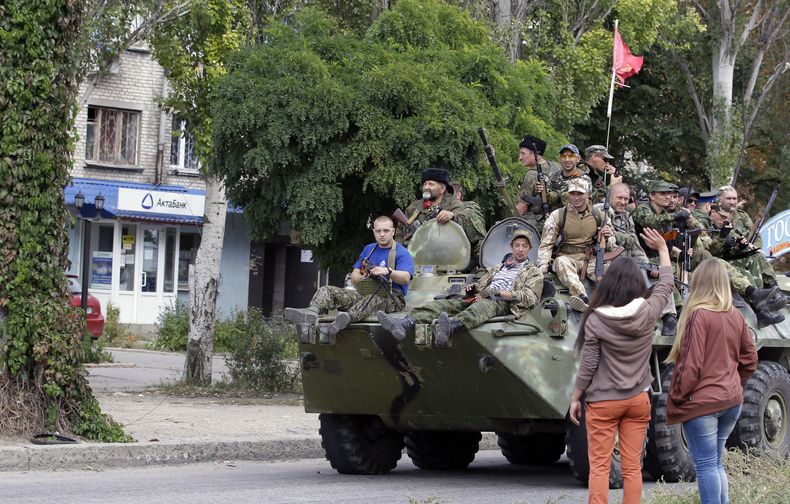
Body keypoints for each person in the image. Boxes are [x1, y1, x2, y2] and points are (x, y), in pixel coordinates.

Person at [569, 227, 674, 504]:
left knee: (601, 467)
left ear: (608, 285)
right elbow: (665, 285)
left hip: (603, 402)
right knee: (632, 468)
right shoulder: (649, 312)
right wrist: (663, 250)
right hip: (638, 399)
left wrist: (576, 397)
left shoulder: (595, 319)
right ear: (637, 285)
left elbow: (589, 364)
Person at [665, 258, 758, 504]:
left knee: (706, 465)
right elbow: (750, 360)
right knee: (716, 462)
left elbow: (690, 365)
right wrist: (732, 382)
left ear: (700, 283)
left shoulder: (698, 315)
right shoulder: (736, 315)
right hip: (731, 401)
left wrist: (676, 397)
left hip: (703, 403)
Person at [377, 230, 543, 345]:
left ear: (530, 248)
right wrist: (472, 289)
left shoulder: (533, 272)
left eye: (525, 246)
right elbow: (480, 286)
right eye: (517, 245)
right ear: (511, 247)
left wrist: (500, 292)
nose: (520, 250)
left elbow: (530, 298)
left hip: (502, 302)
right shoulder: (497, 269)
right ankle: (405, 323)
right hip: (482, 296)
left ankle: (450, 326)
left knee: (482, 307)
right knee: (444, 305)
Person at [284, 216, 414, 336]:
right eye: (378, 231)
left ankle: (345, 319)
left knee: (372, 300)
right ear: (373, 232)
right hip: (365, 293)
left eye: (386, 230)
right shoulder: (369, 250)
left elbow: (405, 278)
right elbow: (355, 275)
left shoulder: (402, 253)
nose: (382, 234)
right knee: (327, 290)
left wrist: (388, 271)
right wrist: (366, 276)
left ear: (393, 231)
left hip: (392, 298)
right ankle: (311, 312)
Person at [600, 183, 678, 336]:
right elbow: (611, 241)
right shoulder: (601, 212)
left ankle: (669, 317)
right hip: (610, 262)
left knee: (659, 277)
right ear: (609, 197)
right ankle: (641, 317)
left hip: (631, 261)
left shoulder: (627, 216)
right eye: (619, 198)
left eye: (626, 199)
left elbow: (636, 246)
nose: (623, 202)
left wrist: (649, 266)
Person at [537, 178, 616, 312]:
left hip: (590, 259)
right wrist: (543, 265)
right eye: (572, 193)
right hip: (567, 258)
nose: (576, 197)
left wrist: (608, 237)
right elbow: (546, 244)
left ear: (588, 194)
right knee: (560, 262)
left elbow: (612, 244)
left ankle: (618, 304)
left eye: (580, 194)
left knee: (613, 270)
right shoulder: (558, 215)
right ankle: (581, 297)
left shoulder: (599, 214)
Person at [700, 205, 786, 327]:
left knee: (753, 261)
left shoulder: (727, 228)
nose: (724, 220)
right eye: (722, 216)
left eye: (727, 217)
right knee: (744, 274)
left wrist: (738, 248)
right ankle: (759, 307)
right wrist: (722, 240)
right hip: (708, 265)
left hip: (724, 261)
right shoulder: (704, 225)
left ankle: (763, 306)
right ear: (713, 212)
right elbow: (707, 252)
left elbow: (730, 253)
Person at [715, 185, 778, 289]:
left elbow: (755, 234)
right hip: (725, 256)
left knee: (759, 256)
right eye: (728, 198)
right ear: (720, 199)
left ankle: (773, 288)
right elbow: (722, 236)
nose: (732, 202)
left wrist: (753, 248)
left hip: (743, 253)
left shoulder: (742, 216)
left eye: (734, 198)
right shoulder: (716, 215)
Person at [398, 168, 479, 248]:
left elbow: (464, 224)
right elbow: (400, 232)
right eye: (425, 184)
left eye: (431, 184)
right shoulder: (414, 207)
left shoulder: (453, 204)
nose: (426, 187)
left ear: (442, 189)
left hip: (446, 254)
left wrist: (451, 215)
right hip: (417, 255)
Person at [515, 135, 560, 225]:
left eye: (523, 153)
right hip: (557, 220)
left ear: (534, 154)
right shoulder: (556, 167)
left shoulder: (532, 174)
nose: (520, 158)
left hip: (536, 224)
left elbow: (521, 209)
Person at [545, 143, 593, 211]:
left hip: (573, 218)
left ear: (578, 158)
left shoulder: (583, 179)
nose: (567, 160)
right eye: (563, 156)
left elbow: (587, 204)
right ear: (559, 158)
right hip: (551, 217)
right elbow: (545, 198)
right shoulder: (552, 176)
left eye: (571, 156)